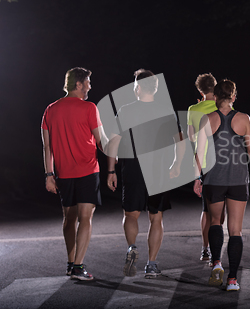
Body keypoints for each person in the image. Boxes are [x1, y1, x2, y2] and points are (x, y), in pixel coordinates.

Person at [106, 69, 184, 278]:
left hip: (132, 168)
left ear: (137, 88)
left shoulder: (125, 110)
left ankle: (132, 247)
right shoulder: (165, 110)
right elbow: (180, 141)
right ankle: (151, 264)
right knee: (156, 218)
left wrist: (111, 170)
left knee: (130, 215)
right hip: (158, 169)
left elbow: (114, 142)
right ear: (155, 88)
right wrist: (176, 165)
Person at [194, 79, 250, 291]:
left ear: (215, 97)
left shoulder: (207, 119)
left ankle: (216, 263)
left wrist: (197, 178)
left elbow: (199, 152)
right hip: (238, 180)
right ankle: (232, 279)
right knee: (235, 230)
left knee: (215, 221)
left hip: (213, 179)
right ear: (233, 97)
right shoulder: (243, 118)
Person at [41, 67, 105, 281]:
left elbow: (46, 146)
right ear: (78, 84)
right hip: (88, 170)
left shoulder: (50, 109)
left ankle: (71, 264)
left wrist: (49, 174)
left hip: (63, 173)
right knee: (85, 218)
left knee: (69, 219)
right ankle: (78, 266)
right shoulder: (89, 108)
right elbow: (102, 141)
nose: (90, 86)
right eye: (88, 82)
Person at [187, 73, 224, 264]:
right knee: (220, 210)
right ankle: (216, 246)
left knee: (206, 210)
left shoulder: (193, 109)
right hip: (223, 161)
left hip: (204, 162)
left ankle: (205, 248)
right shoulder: (224, 107)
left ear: (200, 90)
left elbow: (191, 138)